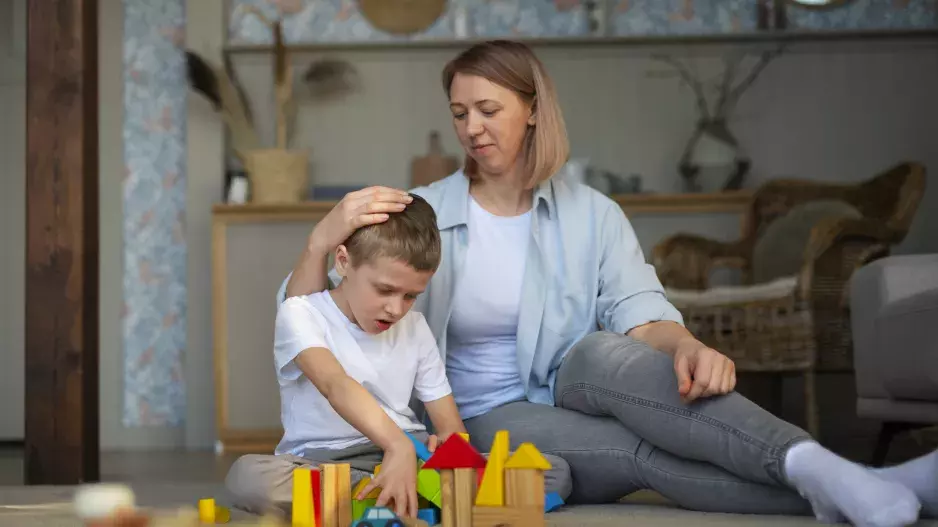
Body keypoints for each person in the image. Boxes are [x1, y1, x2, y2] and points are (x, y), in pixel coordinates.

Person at [277, 40, 937, 527]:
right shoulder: (421, 211)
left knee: (610, 349)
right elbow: (310, 311)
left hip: (575, 379)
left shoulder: (592, 213)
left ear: (533, 110)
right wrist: (319, 236)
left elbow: (640, 311)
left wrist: (684, 347)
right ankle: (850, 479)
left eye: (487, 108)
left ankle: (828, 471)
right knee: (639, 451)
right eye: (459, 113)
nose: (471, 128)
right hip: (478, 416)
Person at [224, 195, 572, 518]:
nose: (395, 309)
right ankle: (410, 499)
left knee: (554, 471)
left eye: (410, 296)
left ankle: (393, 499)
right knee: (249, 477)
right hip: (326, 462)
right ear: (343, 262)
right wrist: (395, 447)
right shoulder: (300, 313)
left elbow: (450, 425)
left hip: (412, 452)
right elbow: (335, 384)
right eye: (385, 290)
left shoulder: (415, 328)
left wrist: (451, 456)